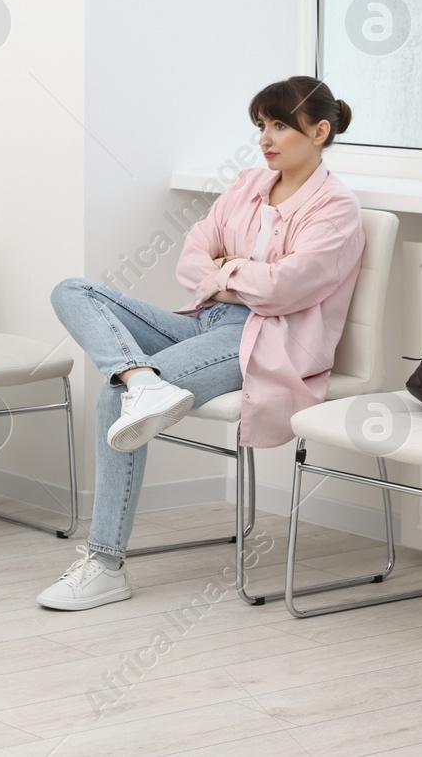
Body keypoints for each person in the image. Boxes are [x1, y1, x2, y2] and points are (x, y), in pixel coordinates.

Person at [37, 76, 365, 610]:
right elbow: (191, 259)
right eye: (262, 125)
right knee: (73, 290)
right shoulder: (248, 185)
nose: (266, 137)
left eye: (280, 125)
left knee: (112, 399)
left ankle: (105, 566)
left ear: (320, 131)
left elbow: (284, 290)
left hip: (264, 339)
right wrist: (235, 276)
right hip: (207, 320)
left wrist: (226, 269)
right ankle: (141, 379)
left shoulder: (336, 209)